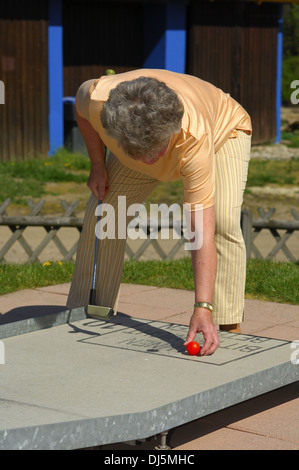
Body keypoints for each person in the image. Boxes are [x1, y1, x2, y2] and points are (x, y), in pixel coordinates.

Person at [66, 69, 252, 356]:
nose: (151, 161)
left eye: (155, 152)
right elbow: (81, 113)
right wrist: (97, 165)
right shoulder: (95, 98)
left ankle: (220, 321)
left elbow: (199, 232)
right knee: (105, 215)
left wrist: (201, 305)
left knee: (223, 222)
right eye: (142, 154)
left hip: (223, 133)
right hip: (145, 139)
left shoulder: (194, 134)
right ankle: (90, 310)